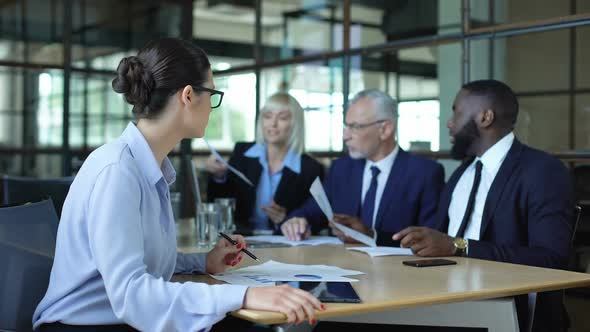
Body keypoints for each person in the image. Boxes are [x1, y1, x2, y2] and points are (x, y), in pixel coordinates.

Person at [33, 38, 323, 332]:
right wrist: (246, 294)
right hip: (84, 327)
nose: (212, 106)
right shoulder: (117, 171)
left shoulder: (148, 166)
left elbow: (141, 262)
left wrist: (202, 262)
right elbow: (132, 293)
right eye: (211, 94)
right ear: (188, 96)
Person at [392, 80, 574, 332]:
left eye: (456, 111)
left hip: (507, 309)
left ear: (485, 117)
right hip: (443, 297)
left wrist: (459, 246)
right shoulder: (462, 172)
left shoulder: (542, 171)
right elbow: (440, 241)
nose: (449, 122)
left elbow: (551, 258)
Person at [281, 89, 444, 245]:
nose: (346, 136)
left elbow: (429, 240)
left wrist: (372, 235)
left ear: (385, 129)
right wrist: (297, 222)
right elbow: (310, 212)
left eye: (356, 127)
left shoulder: (425, 173)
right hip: (341, 269)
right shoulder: (341, 169)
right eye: (346, 126)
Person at [206, 92, 324, 235]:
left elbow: (318, 219)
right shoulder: (242, 153)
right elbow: (220, 204)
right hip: (241, 239)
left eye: (282, 118)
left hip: (284, 245)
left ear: (295, 124)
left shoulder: (310, 168)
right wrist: (218, 177)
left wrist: (286, 219)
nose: (273, 124)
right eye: (267, 116)